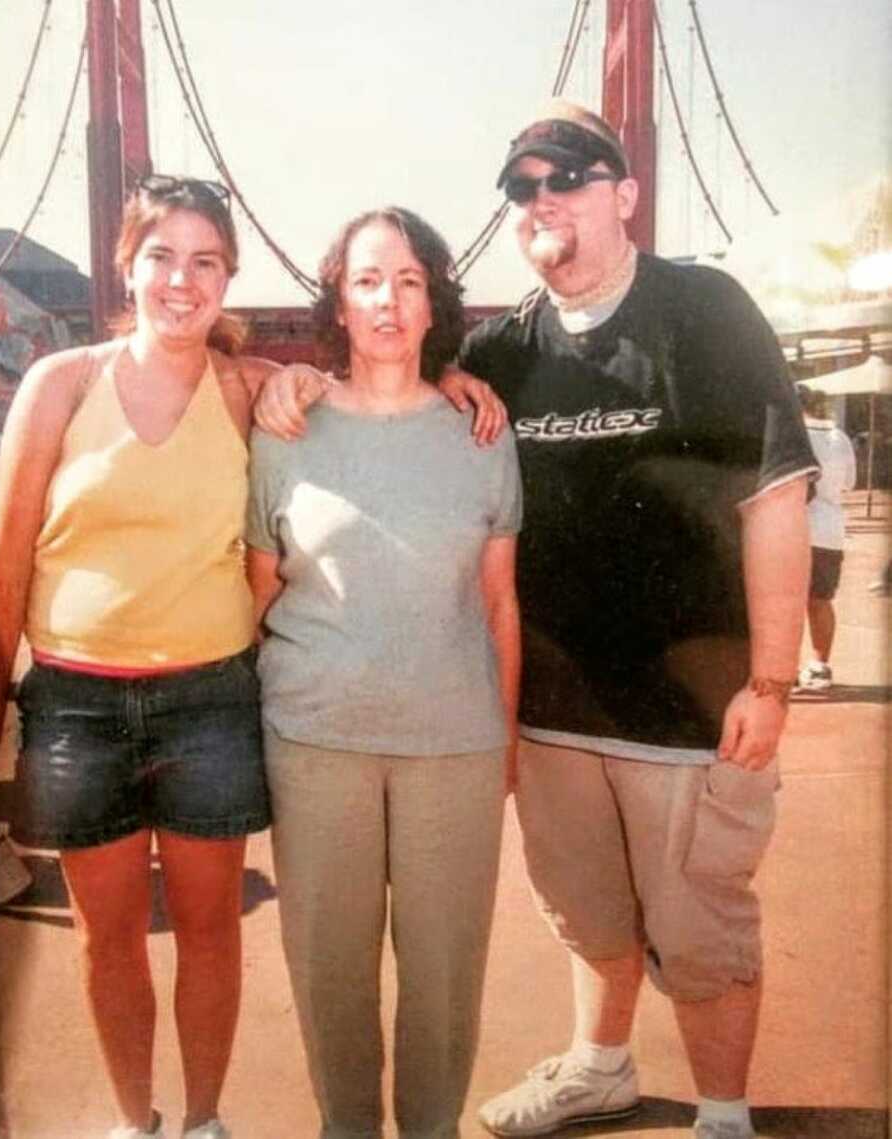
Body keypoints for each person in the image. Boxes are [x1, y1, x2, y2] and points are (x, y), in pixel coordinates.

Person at [256, 100, 818, 1139]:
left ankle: (726, 1114)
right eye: (525, 187)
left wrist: (774, 677)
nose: (545, 199)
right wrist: (293, 374)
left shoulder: (707, 309)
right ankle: (600, 1066)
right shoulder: (507, 349)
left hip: (690, 711)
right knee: (590, 914)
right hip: (555, 715)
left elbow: (773, 496)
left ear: (625, 194)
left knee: (701, 928)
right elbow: (408, 389)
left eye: (571, 177)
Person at [0, 175, 278, 1139]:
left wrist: (458, 379)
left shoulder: (249, 390)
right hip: (76, 709)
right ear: (128, 264)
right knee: (105, 937)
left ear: (228, 277)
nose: (182, 280)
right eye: (162, 256)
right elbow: (5, 566)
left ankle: (202, 1120)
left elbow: (378, 385)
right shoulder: (60, 383)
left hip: (210, 705)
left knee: (209, 934)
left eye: (205, 261)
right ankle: (133, 1122)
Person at [245, 206, 521, 1139]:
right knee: (330, 972)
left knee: (445, 973)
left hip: (457, 747)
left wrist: (507, 741)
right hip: (316, 742)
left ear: (434, 299)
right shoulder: (286, 426)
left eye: (408, 280)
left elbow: (499, 603)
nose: (389, 300)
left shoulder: (480, 429)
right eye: (368, 279)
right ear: (339, 299)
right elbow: (255, 591)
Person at [795, 386, 856, 690]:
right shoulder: (840, 438)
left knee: (786, 604)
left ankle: (785, 670)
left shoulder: (793, 436)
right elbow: (849, 483)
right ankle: (820, 667)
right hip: (831, 531)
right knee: (821, 601)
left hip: (793, 530)